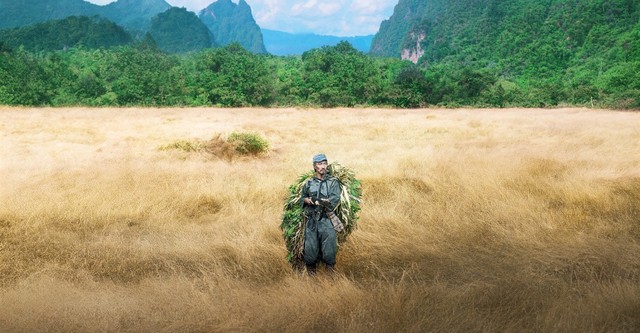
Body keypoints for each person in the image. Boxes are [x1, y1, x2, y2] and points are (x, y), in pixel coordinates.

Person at [301, 153, 341, 275]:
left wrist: (318, 201)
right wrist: (307, 200)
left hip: (326, 220)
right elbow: (303, 197)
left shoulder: (333, 182)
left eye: (324, 163)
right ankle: (312, 283)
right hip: (312, 221)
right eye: (319, 164)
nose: (323, 166)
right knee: (310, 251)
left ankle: (330, 281)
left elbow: (334, 200)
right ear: (315, 166)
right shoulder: (309, 183)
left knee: (329, 251)